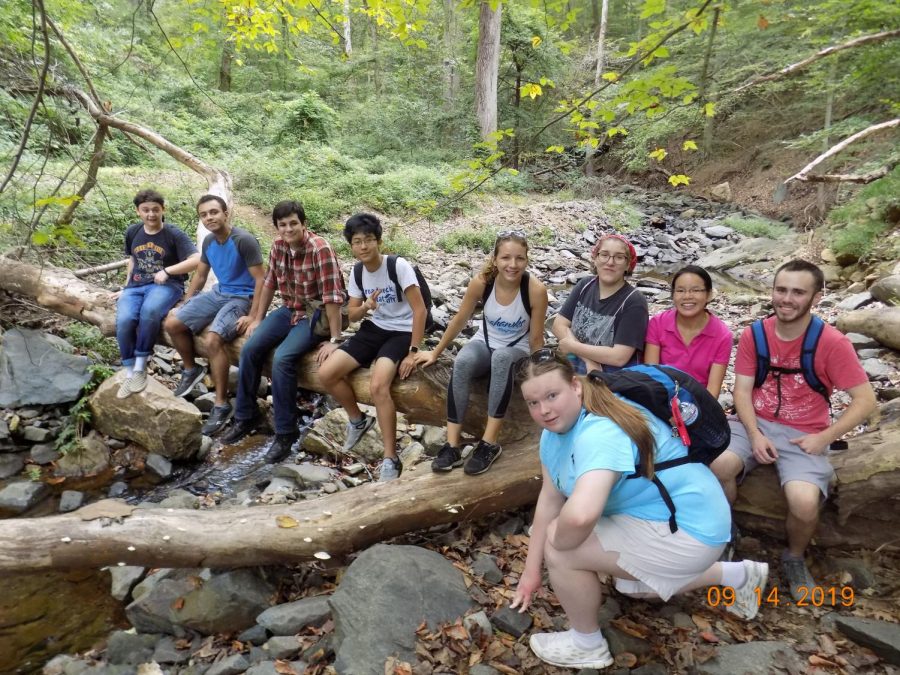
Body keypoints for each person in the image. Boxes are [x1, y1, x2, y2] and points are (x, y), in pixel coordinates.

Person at [510, 349, 768, 669]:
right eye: (533, 403)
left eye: (552, 395)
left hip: (691, 527)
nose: (544, 410)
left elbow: (580, 516)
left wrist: (554, 551)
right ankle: (741, 575)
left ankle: (586, 643)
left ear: (576, 386)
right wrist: (531, 572)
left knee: (561, 543)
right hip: (672, 516)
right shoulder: (555, 433)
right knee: (627, 582)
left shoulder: (600, 430)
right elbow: (550, 497)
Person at [710, 259, 875, 601]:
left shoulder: (832, 343)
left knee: (803, 503)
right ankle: (727, 532)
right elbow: (741, 391)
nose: (786, 299)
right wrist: (755, 435)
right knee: (717, 466)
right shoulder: (756, 334)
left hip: (805, 431)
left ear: (816, 297)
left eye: (798, 292)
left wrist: (825, 437)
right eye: (781, 289)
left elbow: (865, 400)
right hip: (752, 422)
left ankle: (794, 557)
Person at [220, 200, 346, 463]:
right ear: (277, 227)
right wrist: (257, 318)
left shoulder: (320, 249)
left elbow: (333, 298)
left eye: (293, 224)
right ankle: (245, 416)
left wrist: (335, 339)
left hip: (317, 313)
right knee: (251, 348)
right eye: (283, 225)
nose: (288, 229)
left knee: (283, 358)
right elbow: (269, 284)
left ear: (303, 224)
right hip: (289, 309)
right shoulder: (278, 246)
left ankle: (286, 432)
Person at [415, 230, 548, 475]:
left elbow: (536, 338)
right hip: (485, 340)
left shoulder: (535, 290)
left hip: (515, 348)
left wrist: (540, 376)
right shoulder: (482, 283)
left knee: (501, 359)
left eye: (520, 258)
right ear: (495, 259)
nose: (513, 265)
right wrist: (435, 352)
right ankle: (453, 444)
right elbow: (459, 319)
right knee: (463, 360)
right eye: (506, 258)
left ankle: (489, 443)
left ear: (527, 260)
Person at [318, 213, 427, 482]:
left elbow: (420, 309)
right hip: (375, 328)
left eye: (368, 240)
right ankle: (357, 420)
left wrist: (413, 351)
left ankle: (390, 458)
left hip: (401, 331)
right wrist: (366, 306)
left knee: (379, 385)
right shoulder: (357, 271)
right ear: (351, 245)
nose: (363, 246)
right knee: (326, 374)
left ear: (378, 241)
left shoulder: (398, 266)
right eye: (357, 241)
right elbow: (352, 315)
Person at [163, 195, 265, 435]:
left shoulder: (244, 240)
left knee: (213, 339)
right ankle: (191, 369)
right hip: (219, 292)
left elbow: (262, 279)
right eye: (204, 215)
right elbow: (200, 275)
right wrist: (186, 303)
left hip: (243, 297)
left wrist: (253, 316)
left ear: (225, 213)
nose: (209, 218)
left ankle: (220, 404)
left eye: (213, 212)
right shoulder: (209, 241)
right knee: (173, 323)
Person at [114, 189, 200, 399]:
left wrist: (167, 271)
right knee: (124, 319)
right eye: (146, 210)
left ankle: (141, 366)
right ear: (138, 212)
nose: (151, 214)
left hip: (167, 285)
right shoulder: (133, 232)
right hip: (135, 286)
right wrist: (125, 287)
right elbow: (133, 260)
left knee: (149, 312)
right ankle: (129, 372)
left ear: (163, 209)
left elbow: (197, 259)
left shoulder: (173, 234)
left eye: (155, 210)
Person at [553, 233, 648, 374]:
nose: (610, 262)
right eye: (604, 255)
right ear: (595, 259)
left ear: (628, 265)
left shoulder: (634, 301)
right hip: (577, 362)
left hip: (610, 375)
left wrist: (571, 346)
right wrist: (587, 359)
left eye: (619, 257)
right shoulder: (585, 285)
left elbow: (619, 357)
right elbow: (558, 325)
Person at [644, 265, 732, 398]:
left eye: (695, 290)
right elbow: (651, 375)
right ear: (673, 295)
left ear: (708, 295)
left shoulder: (722, 335)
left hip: (698, 402)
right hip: (660, 396)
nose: (687, 296)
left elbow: (713, 390)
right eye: (680, 290)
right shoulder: (658, 323)